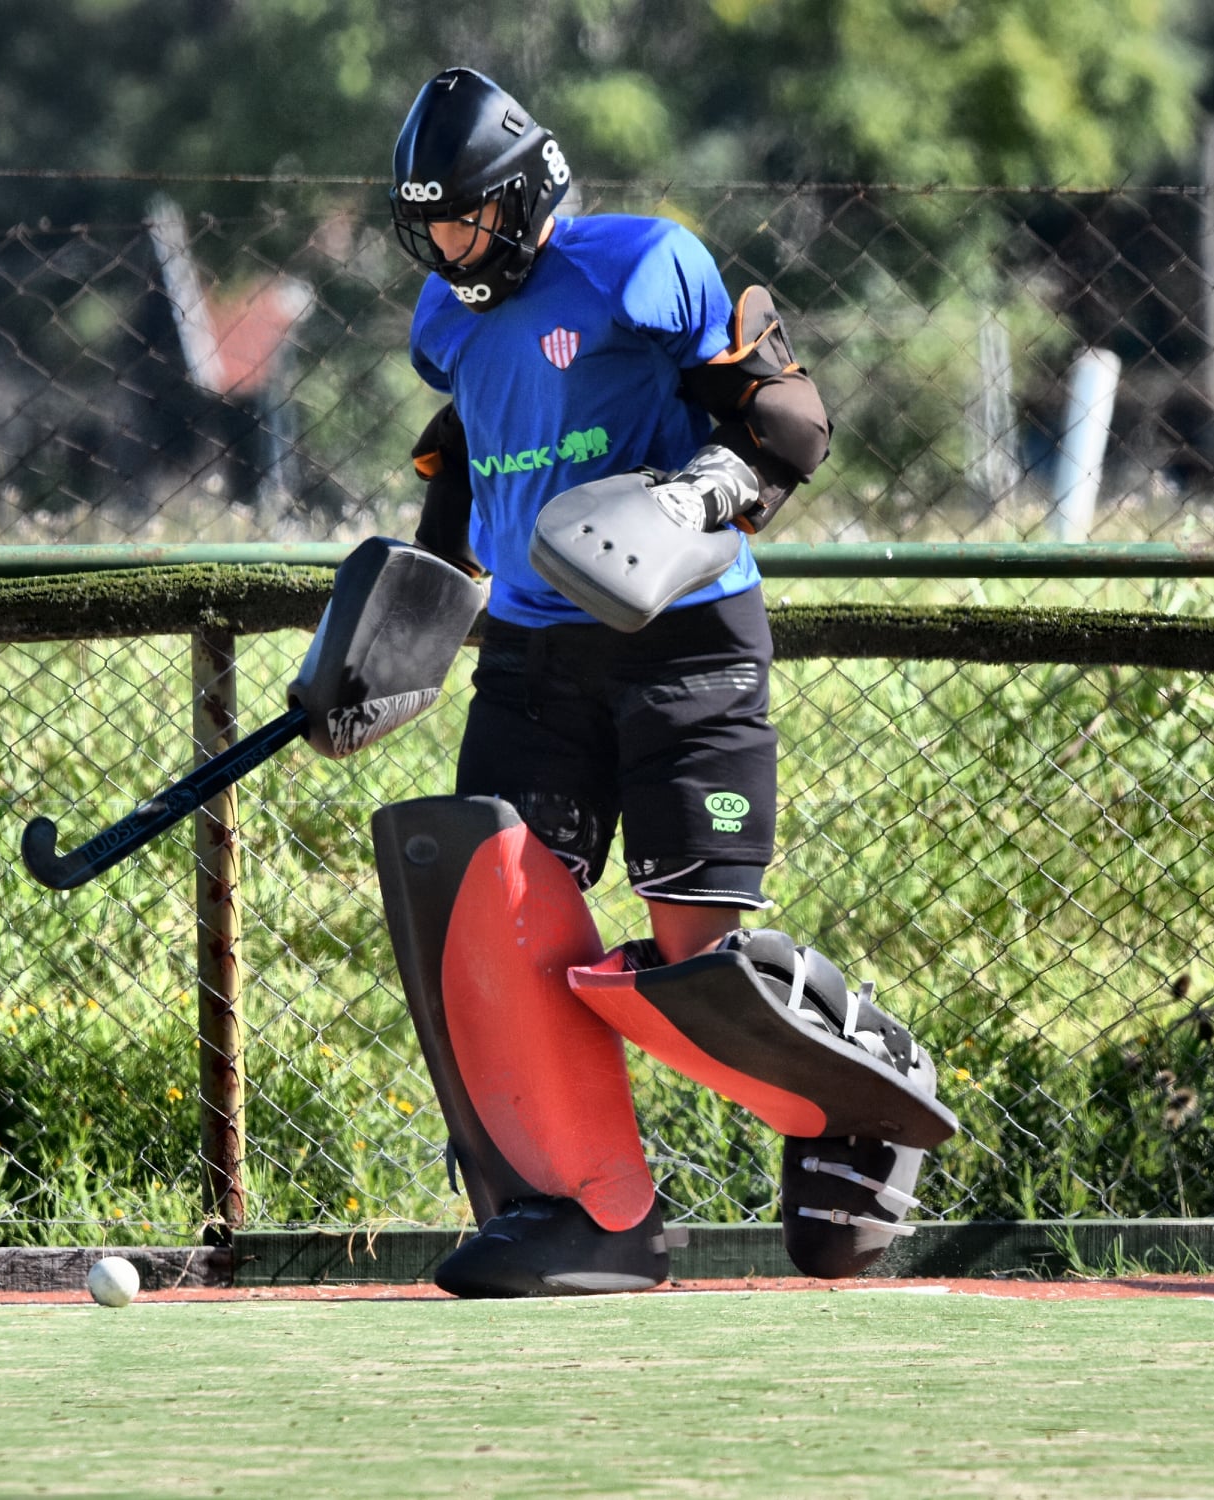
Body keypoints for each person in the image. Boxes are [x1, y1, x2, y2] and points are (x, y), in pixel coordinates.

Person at [370, 66, 954, 1298]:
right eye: (431, 228)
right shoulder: (445, 319)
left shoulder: (645, 268)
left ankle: (864, 1092)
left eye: (468, 219)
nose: (449, 247)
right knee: (499, 917)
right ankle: (593, 1216)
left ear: (527, 192)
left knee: (694, 959)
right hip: (532, 655)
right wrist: (395, 629)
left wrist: (697, 494)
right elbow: (466, 463)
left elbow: (787, 422)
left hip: (684, 638)